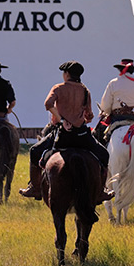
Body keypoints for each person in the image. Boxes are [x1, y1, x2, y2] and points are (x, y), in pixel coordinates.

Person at [19, 61, 114, 203]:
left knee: (34, 151)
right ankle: (101, 191)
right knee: (104, 154)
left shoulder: (58, 88)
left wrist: (62, 119)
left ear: (67, 74)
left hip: (62, 135)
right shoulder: (85, 91)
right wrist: (84, 117)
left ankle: (35, 188)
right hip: (81, 136)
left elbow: (48, 104)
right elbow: (88, 116)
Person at [97, 58, 134, 143]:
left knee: (102, 137)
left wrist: (107, 112)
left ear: (120, 69)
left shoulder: (113, 83)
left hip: (118, 118)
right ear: (133, 71)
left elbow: (105, 105)